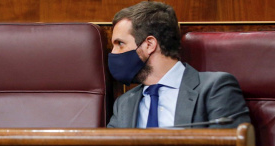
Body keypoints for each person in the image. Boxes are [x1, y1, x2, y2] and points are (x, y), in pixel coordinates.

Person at [106, 1, 250, 129]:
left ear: (149, 45)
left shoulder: (215, 88)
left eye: (120, 44)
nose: (113, 53)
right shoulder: (124, 103)